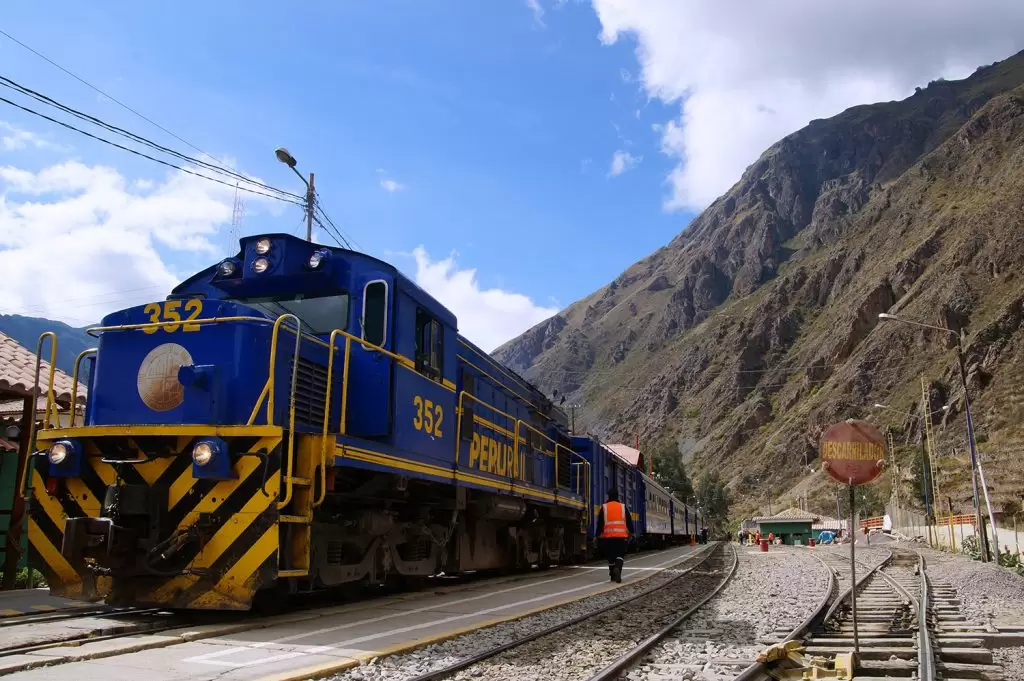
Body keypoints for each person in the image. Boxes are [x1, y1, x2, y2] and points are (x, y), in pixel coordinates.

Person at [597, 488, 633, 583]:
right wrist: (631, 532)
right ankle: (618, 569)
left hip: (608, 537)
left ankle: (612, 575)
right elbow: (629, 520)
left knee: (611, 557)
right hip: (621, 537)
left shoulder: (604, 507)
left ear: (609, 496)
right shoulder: (623, 507)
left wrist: (597, 535)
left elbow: (600, 523)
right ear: (618, 496)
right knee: (620, 555)